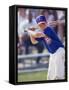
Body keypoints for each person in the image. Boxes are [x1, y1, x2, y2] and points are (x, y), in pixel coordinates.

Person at [28, 15, 65, 80]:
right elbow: (33, 42)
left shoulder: (48, 30)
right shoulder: (42, 33)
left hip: (59, 51)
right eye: (40, 24)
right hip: (53, 54)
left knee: (58, 77)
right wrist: (31, 33)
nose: (42, 25)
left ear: (46, 23)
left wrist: (29, 31)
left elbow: (36, 34)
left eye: (43, 23)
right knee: (50, 77)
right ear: (38, 25)